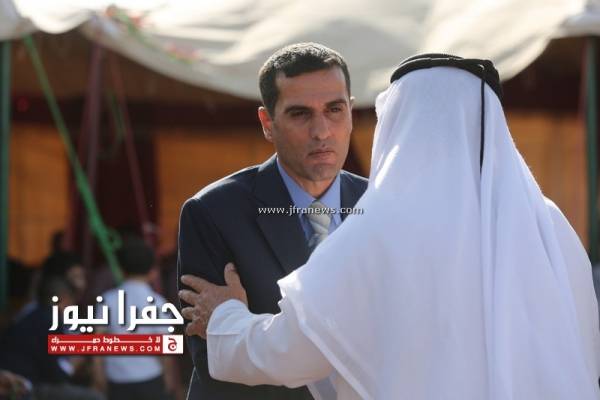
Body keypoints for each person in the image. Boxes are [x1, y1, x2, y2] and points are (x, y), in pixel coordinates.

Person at [178, 55, 600, 399]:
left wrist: (225, 317)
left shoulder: (382, 228)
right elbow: (583, 350)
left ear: (399, 127)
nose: (322, 130)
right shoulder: (549, 224)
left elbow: (286, 351)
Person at [177, 42, 368, 399]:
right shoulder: (214, 212)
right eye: (300, 114)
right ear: (268, 123)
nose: (322, 131)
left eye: (334, 109)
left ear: (351, 112)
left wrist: (234, 321)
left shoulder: (379, 205)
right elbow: (215, 363)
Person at [95, 234, 177, 400]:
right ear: (152, 272)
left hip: (117, 379)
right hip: (150, 378)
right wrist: (169, 377)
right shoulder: (158, 302)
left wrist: (98, 375)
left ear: (120, 270)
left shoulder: (107, 300)